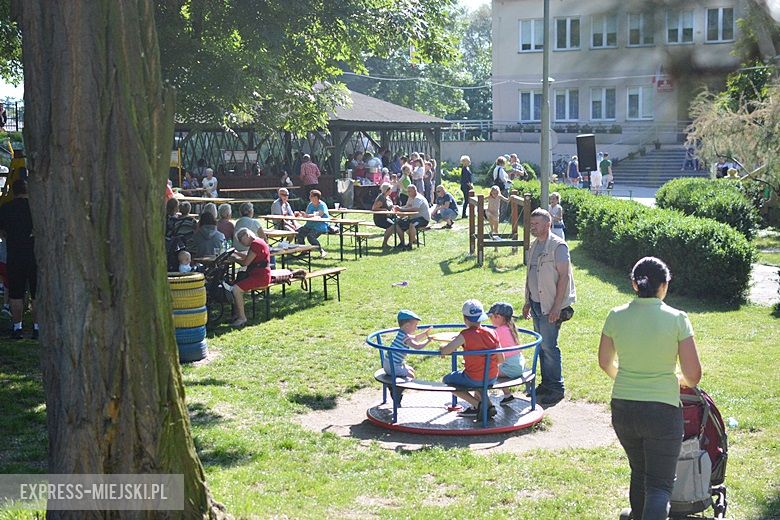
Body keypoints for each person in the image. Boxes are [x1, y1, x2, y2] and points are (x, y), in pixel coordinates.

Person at [598, 257, 702, 520]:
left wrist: (626, 378)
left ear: (634, 284)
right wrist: (679, 380)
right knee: (659, 485)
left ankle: (636, 514)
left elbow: (604, 362)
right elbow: (693, 375)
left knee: (640, 471)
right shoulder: (678, 318)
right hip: (662, 412)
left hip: (623, 408)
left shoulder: (615, 315)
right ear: (664, 285)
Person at [522, 208, 576, 407]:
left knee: (549, 346)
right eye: (532, 224)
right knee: (541, 345)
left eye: (536, 224)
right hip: (536, 304)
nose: (533, 227)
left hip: (551, 306)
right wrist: (527, 301)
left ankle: (556, 388)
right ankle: (546, 384)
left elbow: (564, 277)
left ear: (548, 225)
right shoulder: (534, 246)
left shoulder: (558, 246)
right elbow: (531, 276)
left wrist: (556, 307)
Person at [439, 299, 500, 418]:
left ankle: (478, 404)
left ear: (465, 318)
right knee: (480, 380)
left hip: (473, 378)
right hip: (492, 377)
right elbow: (501, 359)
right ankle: (489, 406)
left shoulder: (465, 335)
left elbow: (446, 351)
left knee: (447, 381)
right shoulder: (492, 333)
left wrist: (442, 348)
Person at [0, 180, 39, 339]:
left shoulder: (5, 209)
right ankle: (37, 328)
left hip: (15, 255)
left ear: (13, 191)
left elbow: (1, 232)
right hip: (35, 255)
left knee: (16, 294)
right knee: (37, 294)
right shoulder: (36, 208)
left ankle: (17, 327)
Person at [229, 228, 272, 328]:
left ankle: (242, 318)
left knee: (236, 289)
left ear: (247, 235)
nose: (240, 242)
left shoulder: (255, 244)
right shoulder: (259, 241)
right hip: (260, 274)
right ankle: (236, 314)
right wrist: (236, 253)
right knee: (234, 283)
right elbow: (249, 256)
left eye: (240, 239)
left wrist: (235, 259)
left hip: (260, 277)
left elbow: (246, 262)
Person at [488, 302, 526, 403]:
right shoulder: (509, 328)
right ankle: (507, 395)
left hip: (510, 368)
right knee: (494, 366)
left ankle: (481, 402)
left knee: (483, 372)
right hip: (517, 365)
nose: (490, 320)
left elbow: (487, 344)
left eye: (491, 317)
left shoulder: (498, 332)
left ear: (498, 317)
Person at [384, 309, 432, 381]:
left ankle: (397, 388)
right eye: (415, 325)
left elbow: (415, 338)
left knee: (411, 369)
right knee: (411, 375)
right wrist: (428, 340)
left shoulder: (402, 333)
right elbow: (417, 346)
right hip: (392, 366)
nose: (417, 328)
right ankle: (397, 390)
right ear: (407, 326)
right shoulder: (405, 338)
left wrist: (425, 334)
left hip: (390, 363)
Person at [393, 185, 430, 250]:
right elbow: (407, 206)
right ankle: (402, 243)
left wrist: (401, 210)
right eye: (407, 191)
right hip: (413, 218)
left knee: (412, 224)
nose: (408, 193)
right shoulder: (410, 198)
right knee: (397, 224)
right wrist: (398, 208)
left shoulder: (418, 198)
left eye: (409, 191)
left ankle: (410, 245)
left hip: (423, 219)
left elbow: (415, 209)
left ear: (414, 191)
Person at [295, 189, 329, 257]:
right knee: (299, 233)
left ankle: (322, 251)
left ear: (316, 197)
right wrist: (301, 215)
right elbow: (307, 214)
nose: (309, 197)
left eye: (311, 196)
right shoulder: (310, 204)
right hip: (309, 225)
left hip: (320, 226)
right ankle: (304, 250)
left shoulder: (322, 205)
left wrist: (308, 215)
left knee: (310, 236)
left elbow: (320, 214)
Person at [371, 183, 397, 249]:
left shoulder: (388, 197)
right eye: (390, 189)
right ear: (387, 190)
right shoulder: (381, 198)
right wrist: (384, 209)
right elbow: (374, 208)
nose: (391, 191)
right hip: (380, 218)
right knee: (392, 226)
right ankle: (385, 243)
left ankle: (402, 243)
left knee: (398, 223)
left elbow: (390, 206)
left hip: (388, 216)